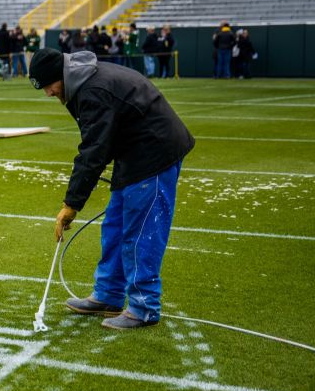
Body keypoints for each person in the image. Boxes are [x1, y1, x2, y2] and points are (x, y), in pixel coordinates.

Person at [27, 47, 195, 329]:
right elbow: (99, 144)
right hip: (133, 152)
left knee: (140, 232)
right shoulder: (80, 83)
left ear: (60, 76)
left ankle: (144, 307)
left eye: (48, 86)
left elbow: (93, 151)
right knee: (115, 226)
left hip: (154, 153)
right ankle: (109, 294)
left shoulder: (92, 91)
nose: (48, 93)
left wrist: (71, 205)